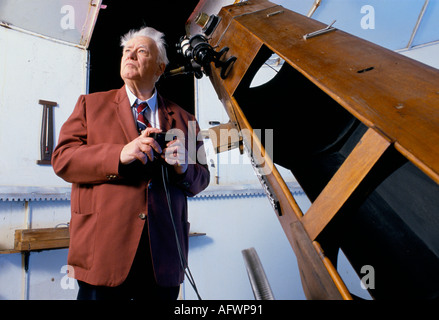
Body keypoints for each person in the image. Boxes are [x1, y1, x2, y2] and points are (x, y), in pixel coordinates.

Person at [52, 26, 210, 300]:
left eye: (141, 52)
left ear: (160, 68)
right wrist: (119, 154)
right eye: (127, 51)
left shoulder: (186, 120)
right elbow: (63, 159)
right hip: (103, 253)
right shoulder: (90, 106)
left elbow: (201, 180)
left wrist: (184, 168)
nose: (130, 56)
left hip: (163, 258)